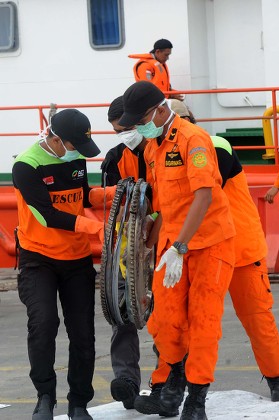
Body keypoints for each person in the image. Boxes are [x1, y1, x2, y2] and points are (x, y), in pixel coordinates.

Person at [118, 81, 236, 420]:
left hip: (209, 243)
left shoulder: (192, 140)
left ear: (158, 110)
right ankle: (176, 377)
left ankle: (196, 397)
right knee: (165, 319)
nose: (138, 127)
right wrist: (148, 241)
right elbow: (163, 202)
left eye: (140, 119)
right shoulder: (154, 146)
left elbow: (204, 196)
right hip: (173, 245)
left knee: (203, 321)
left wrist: (182, 246)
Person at [12, 109, 116, 420]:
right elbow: (48, 215)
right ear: (56, 139)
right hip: (38, 259)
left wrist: (117, 194)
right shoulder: (26, 166)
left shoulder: (74, 157)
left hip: (76, 260)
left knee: (83, 333)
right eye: (72, 145)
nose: (76, 153)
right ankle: (45, 396)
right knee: (43, 325)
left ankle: (78, 403)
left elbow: (83, 197)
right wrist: (97, 229)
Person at [101, 96, 168, 413]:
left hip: (166, 244)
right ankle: (126, 382)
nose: (124, 135)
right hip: (129, 250)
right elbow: (112, 211)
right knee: (124, 313)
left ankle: (166, 382)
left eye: (126, 128)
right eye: (118, 131)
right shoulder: (114, 160)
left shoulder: (166, 150)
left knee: (166, 318)